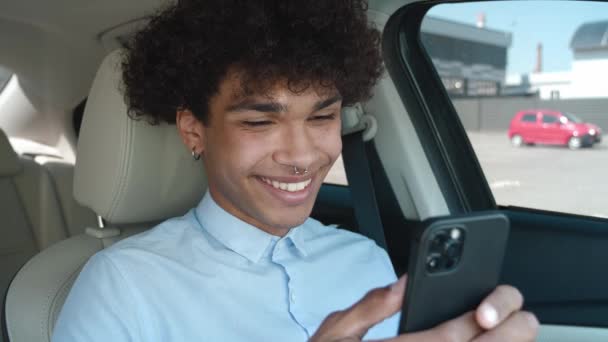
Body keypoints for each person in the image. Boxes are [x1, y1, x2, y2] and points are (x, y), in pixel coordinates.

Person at [52, 0, 539, 341]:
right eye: (262, 121)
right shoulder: (122, 286)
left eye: (323, 116)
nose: (303, 156)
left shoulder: (365, 260)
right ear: (194, 130)